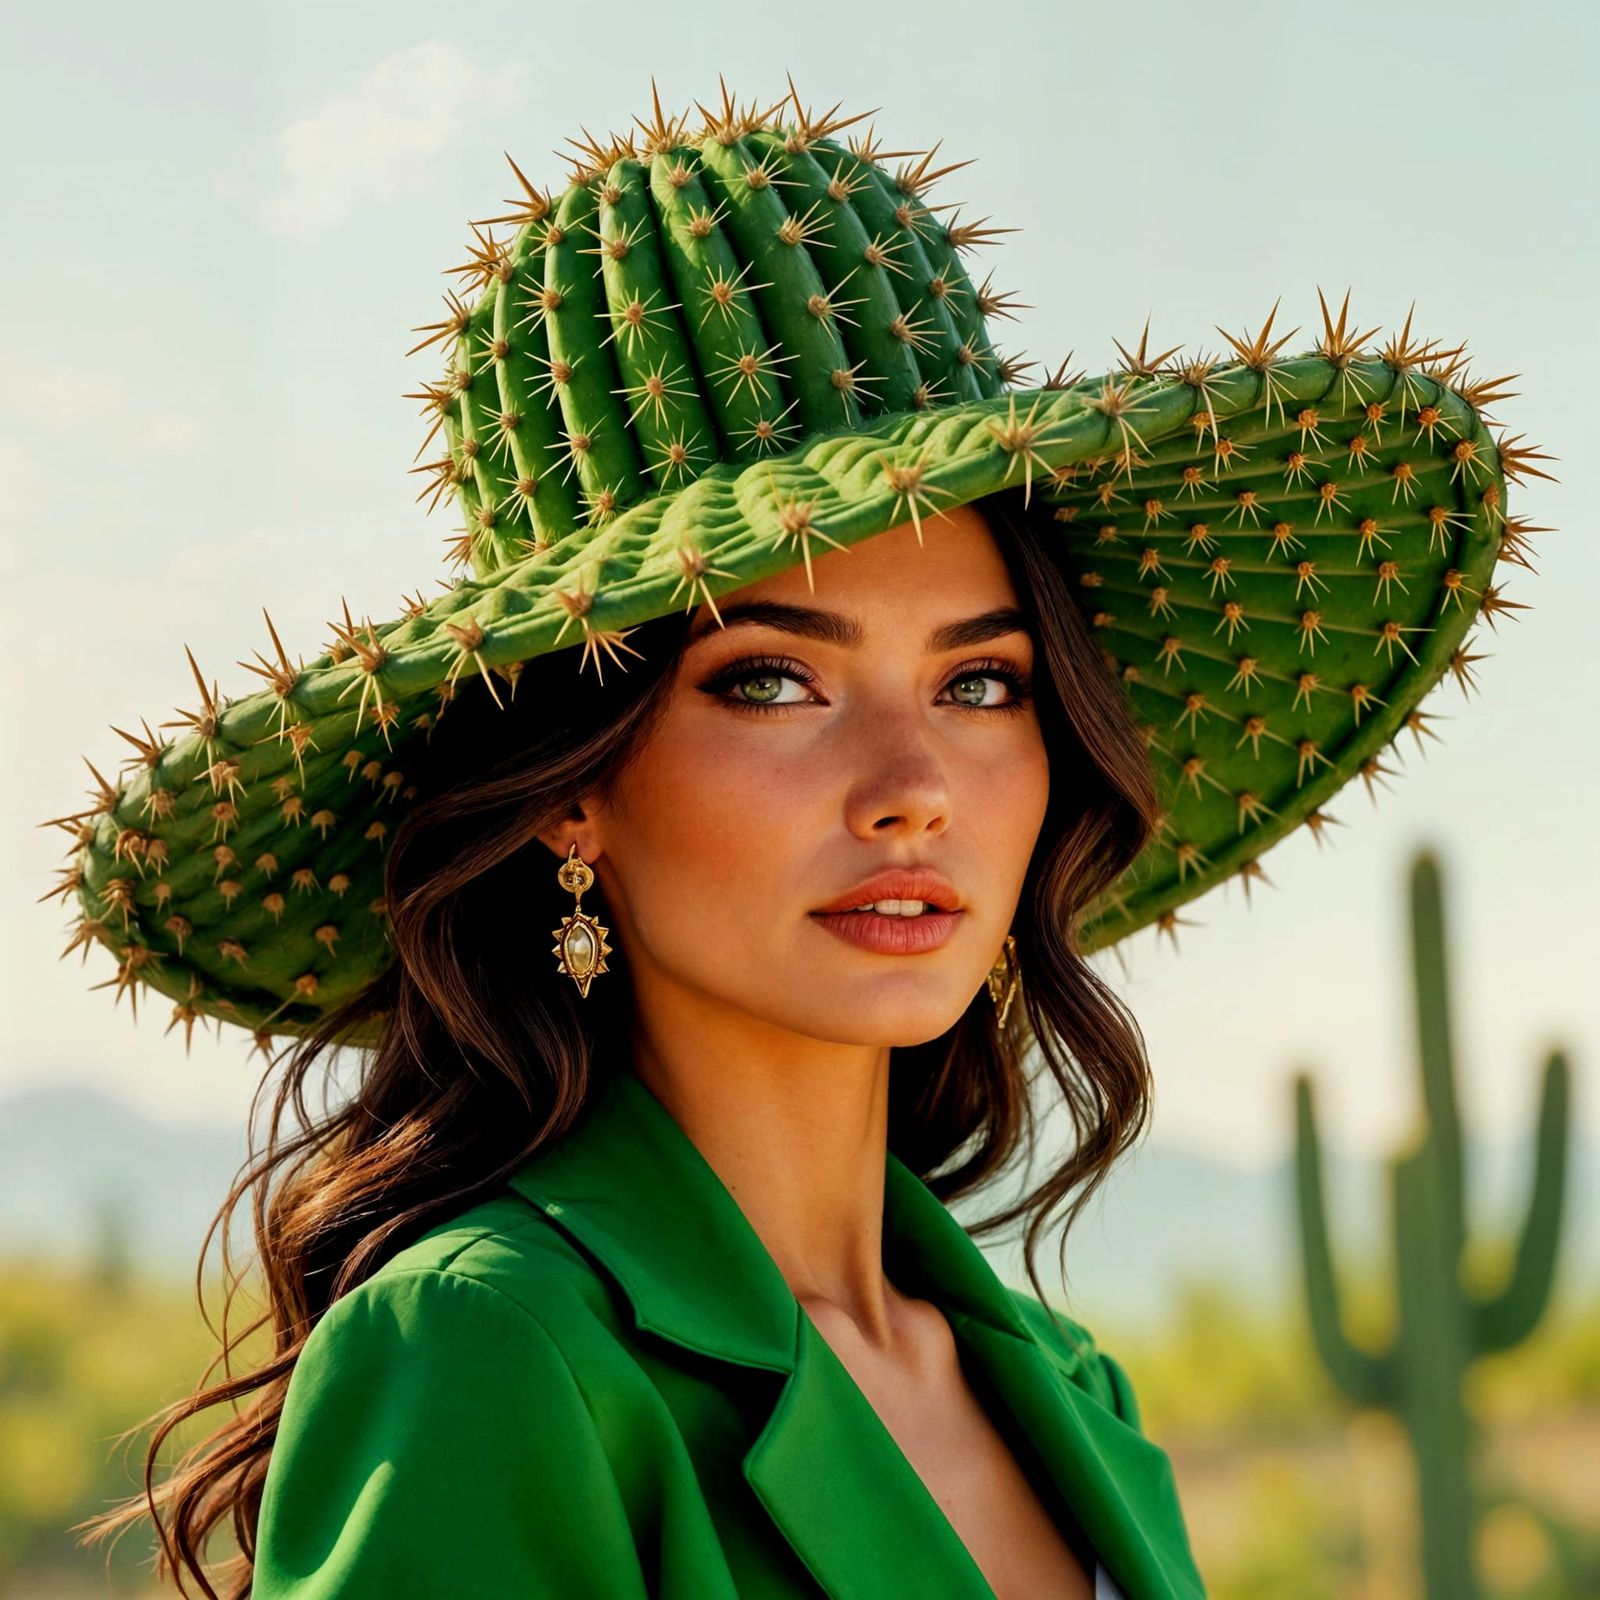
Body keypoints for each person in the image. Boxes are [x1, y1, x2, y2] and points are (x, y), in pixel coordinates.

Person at [57, 75, 1538, 1600]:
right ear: (573, 787)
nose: (915, 787)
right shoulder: (493, 1347)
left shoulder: (1072, 1393)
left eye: (980, 682)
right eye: (774, 681)